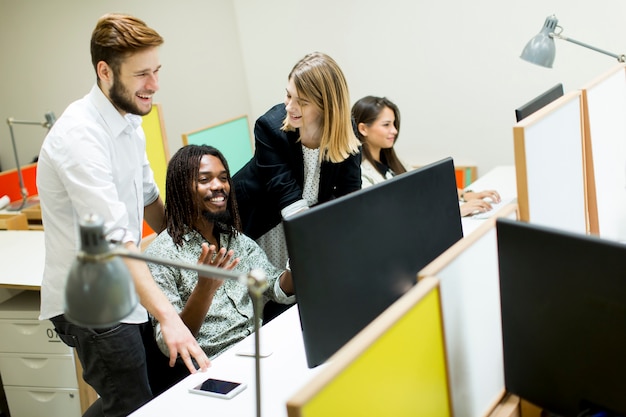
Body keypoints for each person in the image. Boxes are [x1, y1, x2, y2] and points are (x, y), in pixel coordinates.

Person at [36, 13, 210, 417]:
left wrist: (193, 245)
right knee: (132, 405)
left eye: (157, 71)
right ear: (105, 71)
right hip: (92, 301)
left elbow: (149, 199)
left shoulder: (128, 118)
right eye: (142, 73)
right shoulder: (80, 137)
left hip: (123, 286)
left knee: (135, 397)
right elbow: (117, 242)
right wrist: (170, 317)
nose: (154, 84)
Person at [145, 144, 296, 361]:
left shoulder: (233, 237)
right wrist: (204, 289)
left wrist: (298, 261)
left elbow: (274, 286)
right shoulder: (160, 256)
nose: (219, 186)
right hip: (216, 364)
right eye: (205, 180)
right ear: (181, 188)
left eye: (223, 178)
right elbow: (171, 346)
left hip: (263, 346)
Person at [233, 51, 362, 270]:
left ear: (325, 106)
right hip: (262, 219)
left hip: (307, 222)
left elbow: (349, 196)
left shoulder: (345, 131)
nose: (290, 106)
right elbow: (287, 195)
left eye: (301, 102)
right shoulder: (269, 128)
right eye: (288, 95)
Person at [351, 95, 501, 217]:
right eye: (386, 125)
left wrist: (464, 195)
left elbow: (424, 189)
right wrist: (453, 212)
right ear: (363, 129)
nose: (394, 131)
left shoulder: (393, 161)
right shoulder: (360, 174)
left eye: (394, 124)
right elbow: (392, 215)